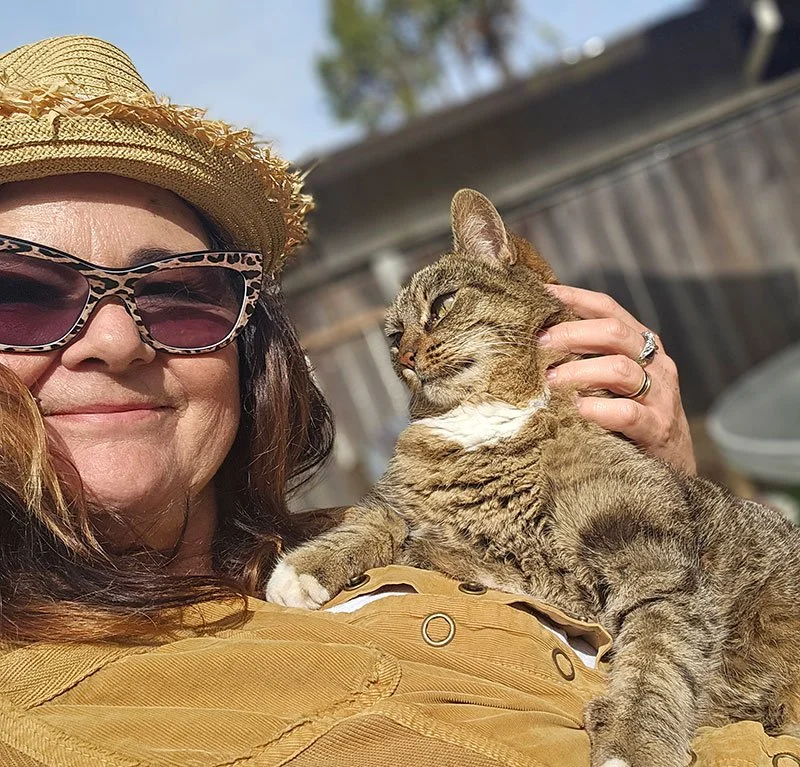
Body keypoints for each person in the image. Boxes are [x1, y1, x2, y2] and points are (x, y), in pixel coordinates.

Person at [0, 35, 793, 767]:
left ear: (248, 343)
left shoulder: (357, 532)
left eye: (178, 292)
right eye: (23, 292)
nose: (115, 341)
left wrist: (668, 499)